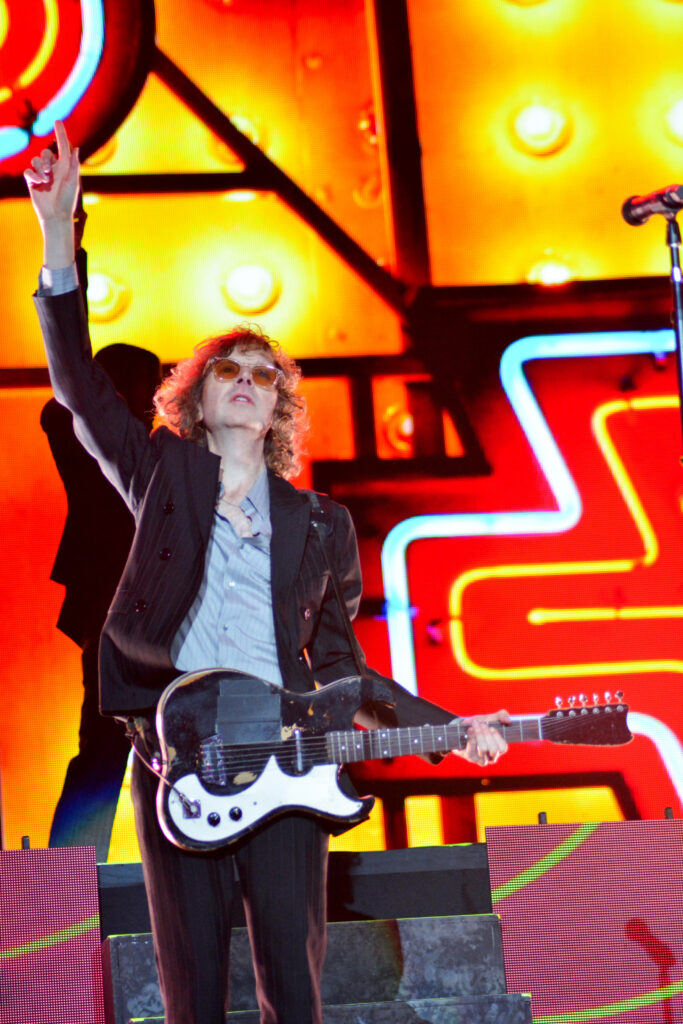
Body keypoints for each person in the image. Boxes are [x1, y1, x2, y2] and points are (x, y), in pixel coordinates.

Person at [26, 121, 510, 1024]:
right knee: (192, 994)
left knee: (294, 983)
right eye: (227, 370)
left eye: (262, 372)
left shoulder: (322, 523)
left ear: (279, 403)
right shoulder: (164, 477)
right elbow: (83, 395)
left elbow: (345, 669)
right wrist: (60, 236)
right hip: (179, 753)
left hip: (289, 750)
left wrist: (452, 727)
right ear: (197, 399)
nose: (246, 379)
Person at [44, 340, 161, 860]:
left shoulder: (158, 452)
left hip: (161, 620)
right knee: (106, 742)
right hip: (112, 615)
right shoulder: (83, 434)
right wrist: (70, 270)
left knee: (168, 746)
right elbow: (61, 404)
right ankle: (69, 874)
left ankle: (178, 863)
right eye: (147, 382)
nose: (155, 395)